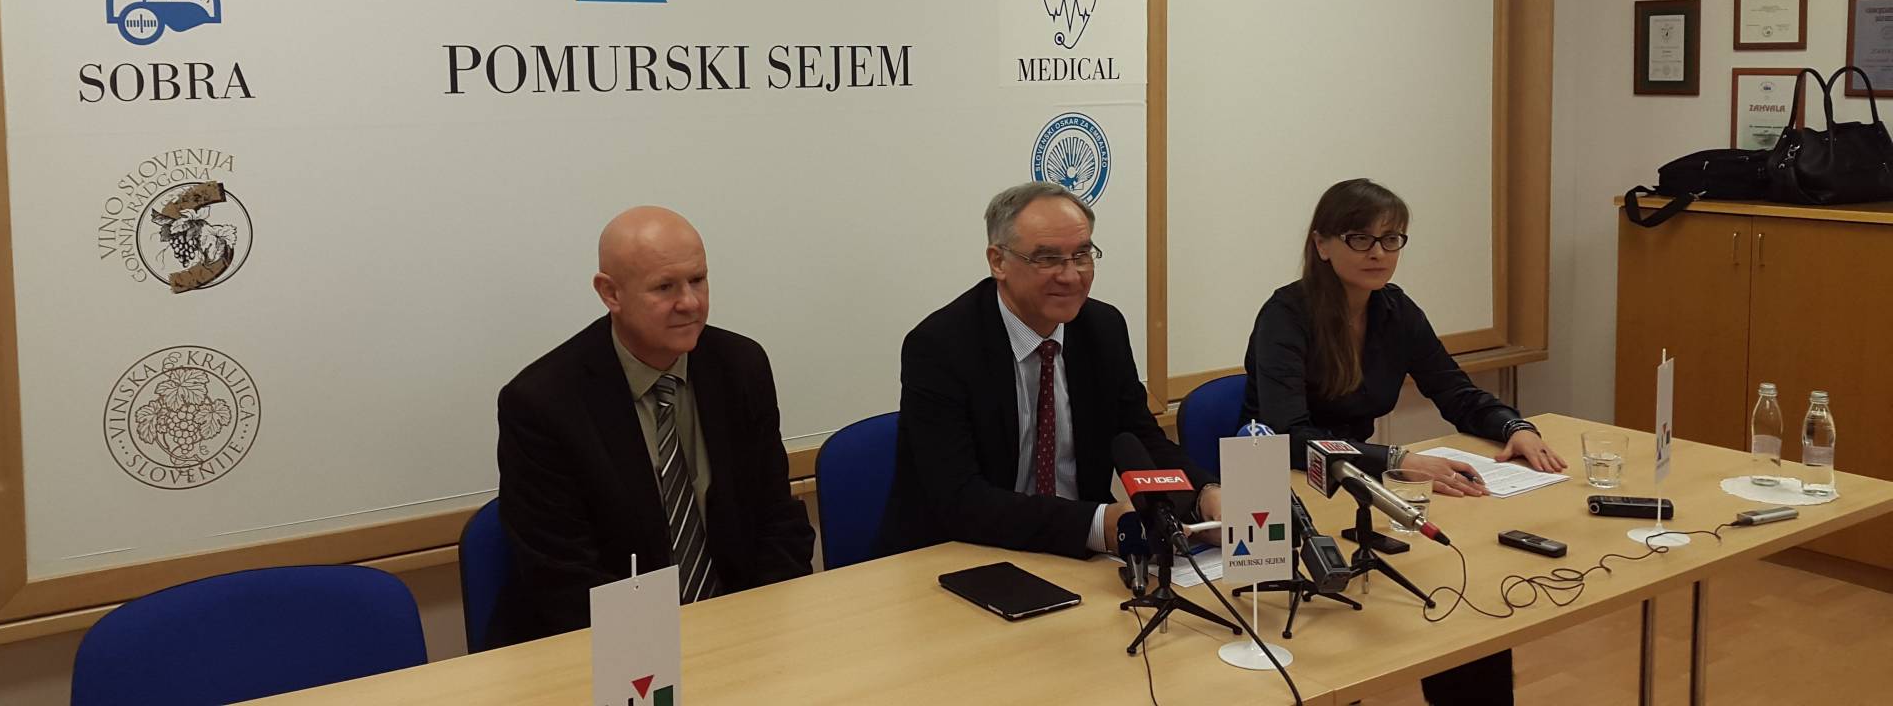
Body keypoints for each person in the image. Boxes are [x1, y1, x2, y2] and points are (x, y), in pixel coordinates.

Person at [1241, 178, 1565, 706]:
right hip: (1286, 495)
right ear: (1322, 244)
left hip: (1360, 487)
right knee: (1339, 640)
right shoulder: (1286, 315)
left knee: (1461, 595)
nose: (1378, 253)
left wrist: (1514, 427)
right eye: (1360, 238)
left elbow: (1454, 390)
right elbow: (1288, 437)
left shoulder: (1394, 310)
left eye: (1391, 239)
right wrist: (1397, 459)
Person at [488, 206, 814, 648]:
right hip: (610, 649)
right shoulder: (542, 403)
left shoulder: (740, 366)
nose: (690, 302)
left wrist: (759, 630)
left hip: (740, 632)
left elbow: (777, 520)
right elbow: (562, 576)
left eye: (698, 280)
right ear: (610, 293)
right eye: (665, 287)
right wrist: (668, 653)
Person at [877, 181, 1220, 559]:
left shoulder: (1102, 328)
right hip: (961, 554)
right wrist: (1098, 525)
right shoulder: (941, 347)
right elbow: (960, 499)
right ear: (998, 262)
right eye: (1047, 259)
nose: (1071, 276)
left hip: (1079, 554)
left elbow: (1140, 438)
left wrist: (1204, 495)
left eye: (1082, 254)